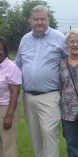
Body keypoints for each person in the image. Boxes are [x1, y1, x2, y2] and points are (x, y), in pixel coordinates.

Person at [15, 5, 67, 157]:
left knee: (49, 133)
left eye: (42, 19)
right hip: (28, 96)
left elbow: (71, 61)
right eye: (36, 19)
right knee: (35, 135)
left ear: (48, 19)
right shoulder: (25, 39)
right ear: (30, 21)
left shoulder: (59, 38)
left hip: (50, 96)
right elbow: (17, 64)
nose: (39, 22)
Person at [60, 29, 78, 157]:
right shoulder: (61, 64)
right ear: (67, 44)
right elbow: (59, 86)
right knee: (71, 144)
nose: (75, 44)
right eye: (72, 41)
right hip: (68, 111)